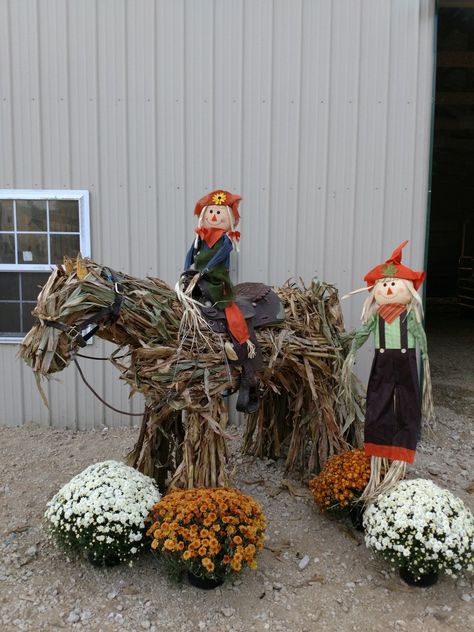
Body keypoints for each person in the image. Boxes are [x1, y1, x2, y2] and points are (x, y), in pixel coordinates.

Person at [342, 241, 434, 499]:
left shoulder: (410, 316)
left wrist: (425, 358)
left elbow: (421, 338)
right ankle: (378, 454)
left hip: (406, 362)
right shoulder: (375, 316)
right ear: (376, 290)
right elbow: (362, 335)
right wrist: (351, 350)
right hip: (382, 363)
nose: (389, 288)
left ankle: (401, 456)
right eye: (383, 285)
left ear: (407, 289)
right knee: (378, 401)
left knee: (407, 404)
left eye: (393, 284)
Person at [183, 190, 260, 413]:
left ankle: (240, 342)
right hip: (198, 277)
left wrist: (205, 270)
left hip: (217, 280)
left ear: (228, 216)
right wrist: (188, 268)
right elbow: (190, 254)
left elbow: (220, 257)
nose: (215, 216)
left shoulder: (225, 239)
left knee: (227, 309)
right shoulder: (200, 236)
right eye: (212, 212)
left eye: (219, 212)